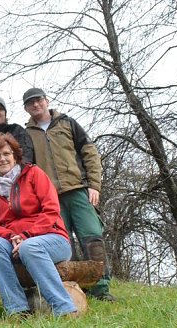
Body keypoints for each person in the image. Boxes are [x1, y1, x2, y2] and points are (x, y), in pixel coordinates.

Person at [23, 87, 115, 301]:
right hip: (50, 198)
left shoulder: (67, 123)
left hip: (79, 189)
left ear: (47, 101)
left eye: (38, 101)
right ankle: (74, 288)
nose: (35, 105)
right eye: (30, 103)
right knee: (62, 244)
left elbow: (89, 152)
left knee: (92, 236)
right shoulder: (27, 134)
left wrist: (94, 185)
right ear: (26, 108)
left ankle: (101, 288)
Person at [0, 134, 77, 317]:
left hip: (52, 239)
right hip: (15, 243)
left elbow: (51, 210)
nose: (2, 159)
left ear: (15, 156)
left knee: (29, 247)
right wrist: (12, 237)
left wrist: (26, 235)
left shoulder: (34, 174)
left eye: (6, 154)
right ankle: (17, 309)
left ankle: (64, 308)